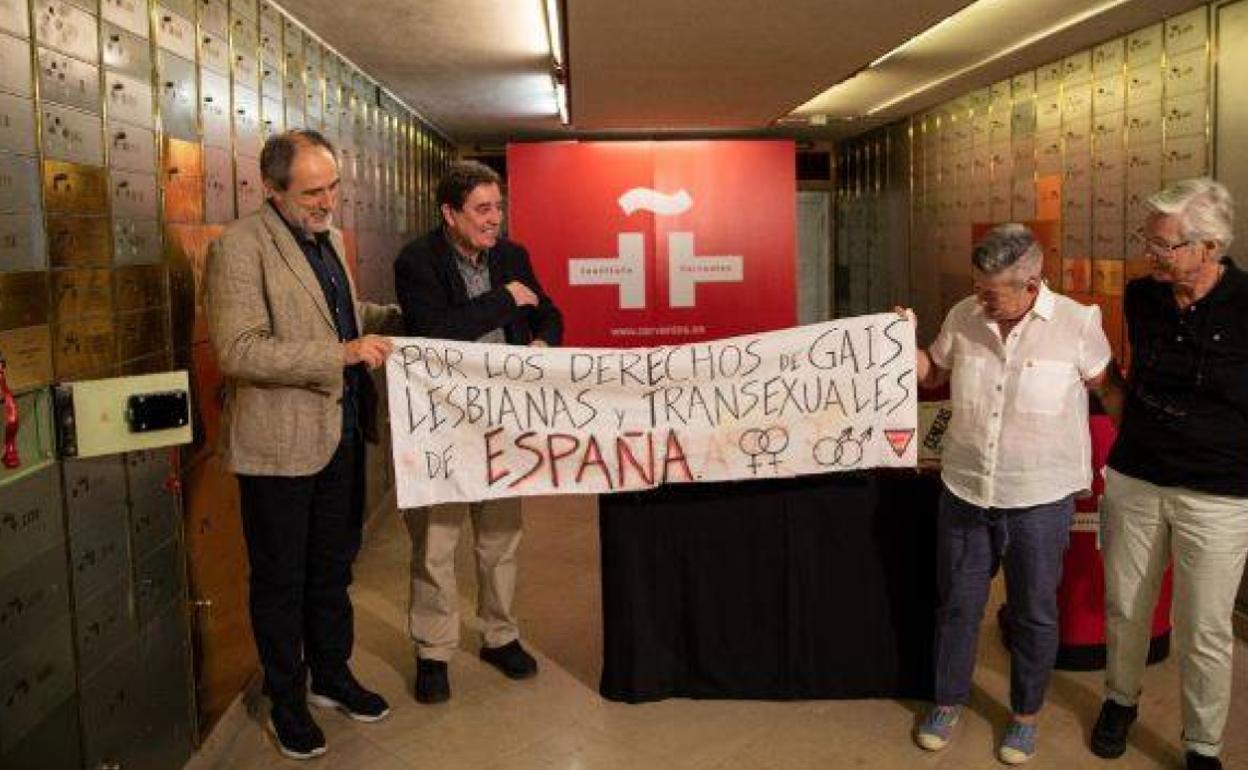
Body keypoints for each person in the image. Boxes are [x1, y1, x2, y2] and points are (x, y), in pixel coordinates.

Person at [204, 129, 402, 760]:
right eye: (313, 191)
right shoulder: (239, 248)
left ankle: (332, 678)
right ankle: (287, 702)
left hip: (340, 435)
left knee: (332, 570)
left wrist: (396, 317)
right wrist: (340, 354)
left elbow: (337, 313)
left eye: (333, 187)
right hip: (278, 445)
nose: (327, 202)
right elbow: (239, 350)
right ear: (272, 188)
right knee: (281, 579)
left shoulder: (327, 241)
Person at [905, 224, 1112, 765]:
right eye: (977, 287)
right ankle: (947, 702)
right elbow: (933, 370)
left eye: (991, 292)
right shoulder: (963, 316)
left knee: (1034, 612)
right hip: (966, 487)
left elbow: (1099, 384)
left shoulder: (1078, 323)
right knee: (957, 606)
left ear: (1031, 282)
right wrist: (899, 347)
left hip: (1040, 497)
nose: (981, 299)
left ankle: (1024, 717)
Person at [1090, 178, 1248, 770]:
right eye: (1147, 241)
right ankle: (1119, 699)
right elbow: (1126, 382)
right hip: (1138, 476)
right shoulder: (1141, 296)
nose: (1149, 255)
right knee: (1126, 604)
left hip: (1219, 491)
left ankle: (1202, 742)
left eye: (1165, 246)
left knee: (1204, 625)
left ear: (1208, 246)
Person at [393, 160, 563, 703]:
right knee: (436, 544)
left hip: (503, 422)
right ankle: (434, 650)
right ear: (450, 213)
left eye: (498, 207)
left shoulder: (512, 256)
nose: (495, 220)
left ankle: (499, 635)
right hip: (442, 425)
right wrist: (505, 299)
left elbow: (549, 311)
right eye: (482, 210)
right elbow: (434, 333)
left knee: (500, 538)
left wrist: (542, 341)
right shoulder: (416, 260)